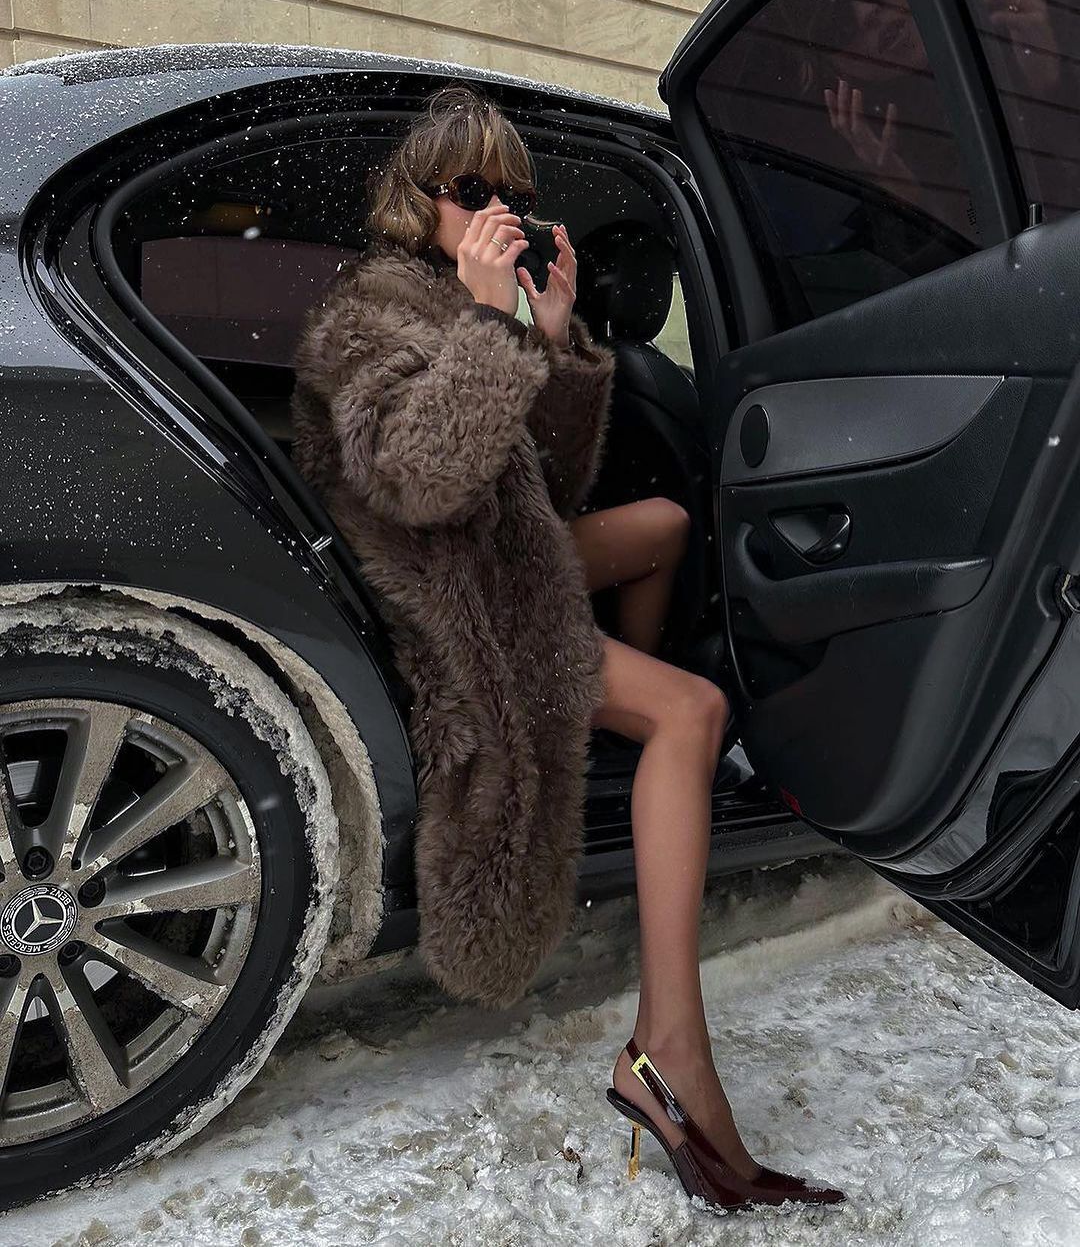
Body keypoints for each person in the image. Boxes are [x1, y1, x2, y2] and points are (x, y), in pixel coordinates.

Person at [290, 84, 844, 1214]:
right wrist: (492, 326)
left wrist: (551, 341)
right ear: (419, 202)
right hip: (462, 614)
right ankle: (666, 1054)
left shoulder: (468, 303)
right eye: (473, 188)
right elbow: (424, 482)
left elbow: (542, 488)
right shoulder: (367, 320)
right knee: (692, 709)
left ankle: (619, 741)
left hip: (511, 566)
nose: (500, 208)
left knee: (665, 524)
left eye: (515, 190)